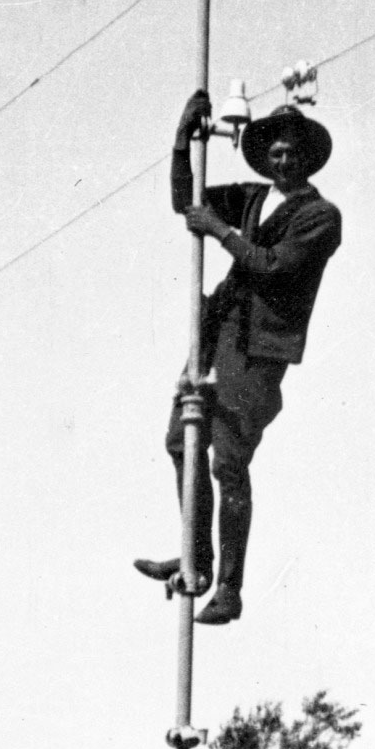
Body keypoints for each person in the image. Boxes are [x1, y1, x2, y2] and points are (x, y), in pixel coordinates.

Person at [134, 90, 342, 626]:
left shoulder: (320, 215)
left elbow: (273, 266)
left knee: (228, 460)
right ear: (263, 155)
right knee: (181, 441)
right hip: (215, 333)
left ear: (308, 157)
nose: (283, 159)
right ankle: (195, 558)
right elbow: (189, 203)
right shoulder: (252, 199)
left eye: (292, 151)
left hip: (258, 350)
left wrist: (220, 232)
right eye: (274, 151)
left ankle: (229, 587)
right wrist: (182, 140)